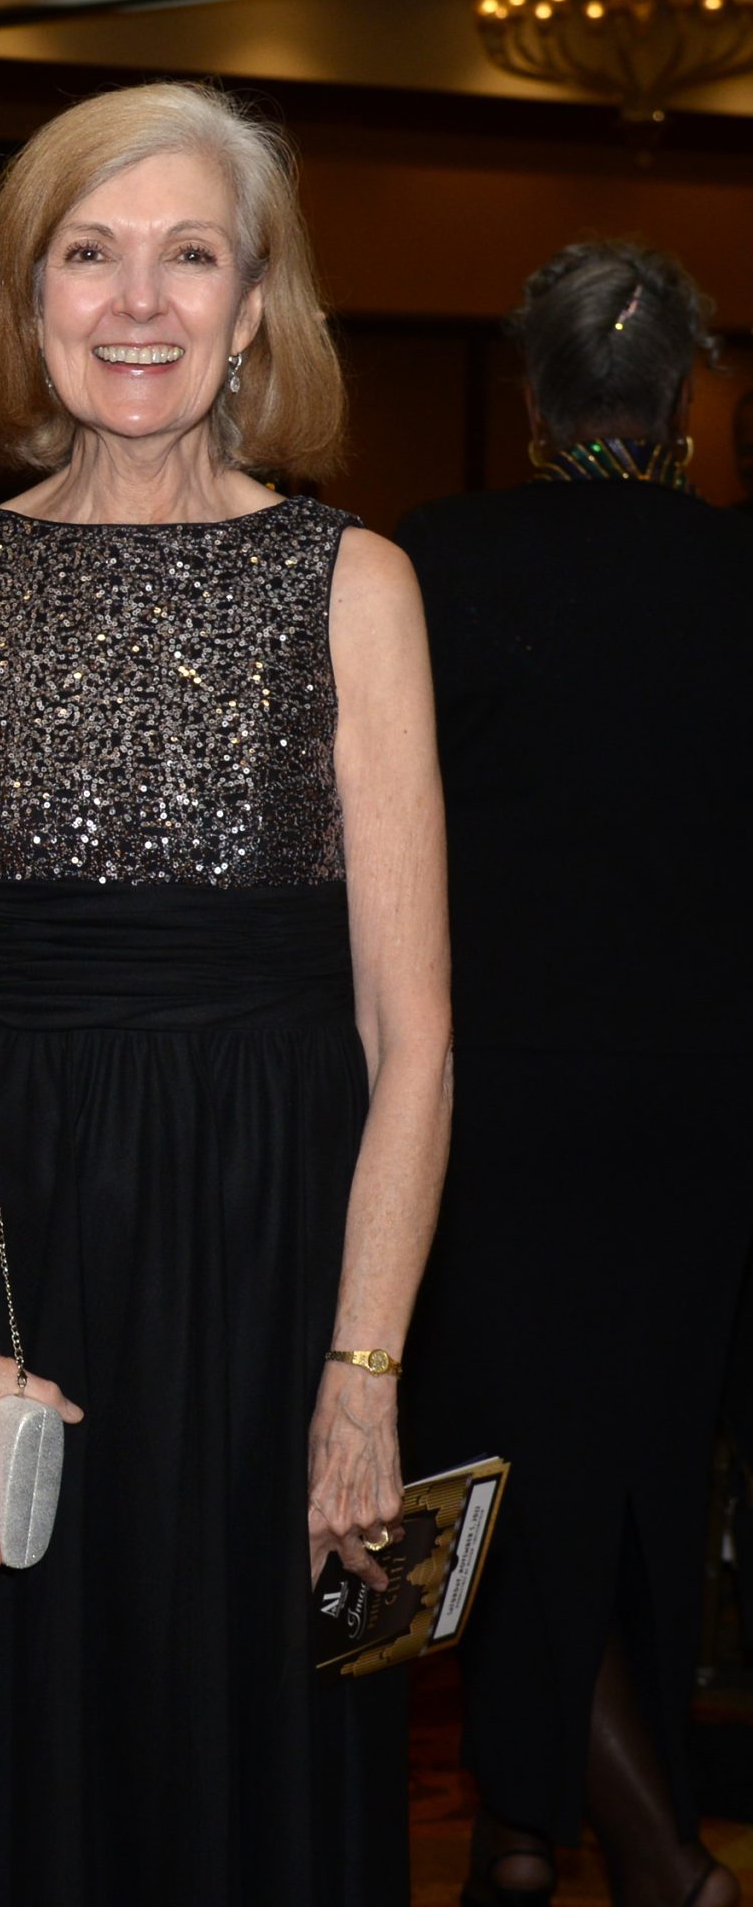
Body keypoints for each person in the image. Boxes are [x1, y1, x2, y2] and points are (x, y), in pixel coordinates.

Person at [0, 80, 451, 1905]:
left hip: (272, 1276)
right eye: (90, 255)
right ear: (30, 302)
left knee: (235, 1755)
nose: (140, 302)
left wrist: (363, 1374)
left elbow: (413, 1038)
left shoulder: (357, 585)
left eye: (192, 257)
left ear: (255, 308)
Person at [400, 242, 752, 1907]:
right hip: (705, 1097)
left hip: (492, 1093)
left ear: (533, 399)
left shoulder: (431, 561)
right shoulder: (738, 573)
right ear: (682, 402)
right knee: (647, 1470)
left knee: (493, 1457)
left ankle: (584, 1834)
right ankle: (555, 1826)